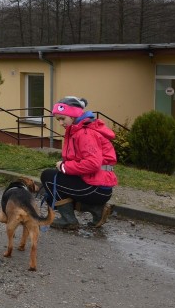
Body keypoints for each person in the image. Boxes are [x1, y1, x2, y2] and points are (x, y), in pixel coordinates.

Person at [40, 96, 117, 229]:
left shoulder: (85, 133)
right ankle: (97, 210)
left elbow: (92, 164)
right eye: (58, 119)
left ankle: (69, 220)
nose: (60, 123)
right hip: (96, 185)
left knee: (48, 178)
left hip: (96, 187)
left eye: (63, 118)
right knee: (51, 190)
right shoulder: (79, 130)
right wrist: (64, 167)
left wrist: (65, 167)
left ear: (73, 115)